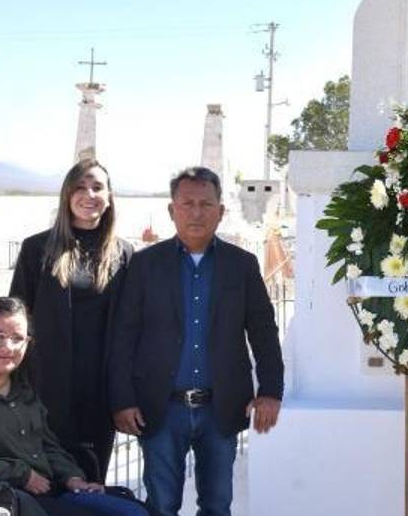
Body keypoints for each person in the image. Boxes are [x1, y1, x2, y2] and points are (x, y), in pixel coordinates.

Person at [108, 166, 285, 516]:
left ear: (221, 211)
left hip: (221, 408)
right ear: (171, 210)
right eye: (187, 204)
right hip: (161, 409)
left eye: (206, 204)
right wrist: (122, 400)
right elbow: (124, 336)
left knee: (217, 505)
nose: (196, 212)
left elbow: (264, 332)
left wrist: (270, 391)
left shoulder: (242, 265)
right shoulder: (145, 265)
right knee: (161, 505)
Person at [0, 296, 148, 516]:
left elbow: (47, 446)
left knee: (134, 511)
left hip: (50, 491)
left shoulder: (26, 392)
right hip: (3, 498)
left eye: (17, 338)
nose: (8, 347)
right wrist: (20, 473)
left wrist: (73, 477)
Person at [10, 158, 133, 481]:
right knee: (47, 482)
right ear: (67, 195)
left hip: (99, 394)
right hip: (46, 389)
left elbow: (130, 329)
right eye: (80, 187)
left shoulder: (124, 254)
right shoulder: (37, 249)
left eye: (97, 187)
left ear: (109, 197)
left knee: (91, 482)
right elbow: (17, 318)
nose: (89, 195)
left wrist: (125, 395)